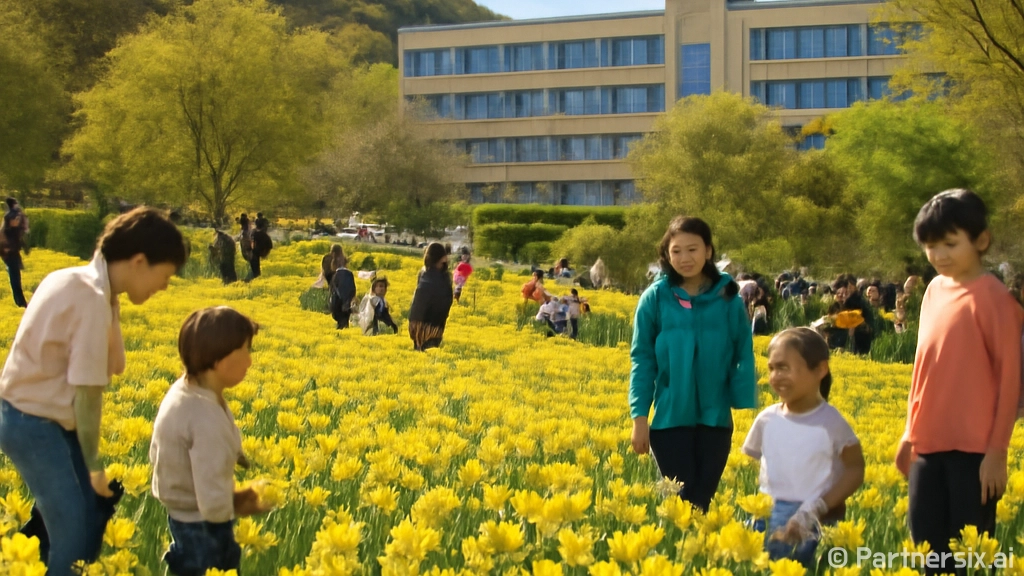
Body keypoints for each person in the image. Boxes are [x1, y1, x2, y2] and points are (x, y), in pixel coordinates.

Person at [0, 207, 187, 575]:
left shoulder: (81, 283)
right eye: (164, 276)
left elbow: (112, 365)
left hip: (30, 416)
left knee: (82, 520)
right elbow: (87, 396)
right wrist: (94, 466)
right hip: (33, 423)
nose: (164, 286)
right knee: (73, 530)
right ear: (138, 261)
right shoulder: (90, 298)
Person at [895, 189, 1024, 575]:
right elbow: (922, 369)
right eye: (931, 247)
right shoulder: (933, 291)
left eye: (950, 244)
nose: (939, 256)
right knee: (927, 554)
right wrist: (908, 432)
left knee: (964, 559)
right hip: (927, 445)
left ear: (981, 240)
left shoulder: (997, 299)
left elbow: (1010, 380)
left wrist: (997, 452)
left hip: (975, 454)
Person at [629, 216, 757, 512]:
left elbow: (743, 350)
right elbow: (642, 360)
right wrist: (639, 419)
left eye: (692, 249)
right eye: (676, 251)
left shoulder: (728, 299)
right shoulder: (655, 298)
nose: (684, 258)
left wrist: (740, 397)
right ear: (666, 254)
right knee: (680, 508)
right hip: (669, 420)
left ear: (709, 251)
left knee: (702, 505)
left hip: (715, 422)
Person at [151, 306, 273, 576]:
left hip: (183, 516)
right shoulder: (204, 417)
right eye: (246, 351)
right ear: (220, 361)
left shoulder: (190, 391)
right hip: (204, 526)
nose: (250, 361)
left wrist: (237, 454)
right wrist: (241, 502)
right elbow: (211, 497)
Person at [743, 328, 864, 569]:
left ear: (820, 369)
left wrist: (818, 506)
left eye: (784, 368)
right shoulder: (766, 419)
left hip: (815, 517)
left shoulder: (831, 423)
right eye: (772, 368)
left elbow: (855, 469)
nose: (776, 376)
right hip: (768, 512)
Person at [408, 243, 454, 351]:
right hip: (425, 325)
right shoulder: (429, 275)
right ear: (441, 258)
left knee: (425, 354)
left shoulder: (438, 276)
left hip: (430, 324)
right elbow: (421, 299)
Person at [2, 197, 30, 307]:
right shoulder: (12, 216)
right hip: (10, 251)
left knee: (15, 276)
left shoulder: (8, 217)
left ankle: (20, 301)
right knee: (15, 277)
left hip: (10, 252)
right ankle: (20, 302)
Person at [329, 262, 357, 330]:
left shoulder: (338, 275)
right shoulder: (347, 275)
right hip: (343, 307)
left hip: (339, 307)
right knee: (343, 324)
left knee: (342, 324)